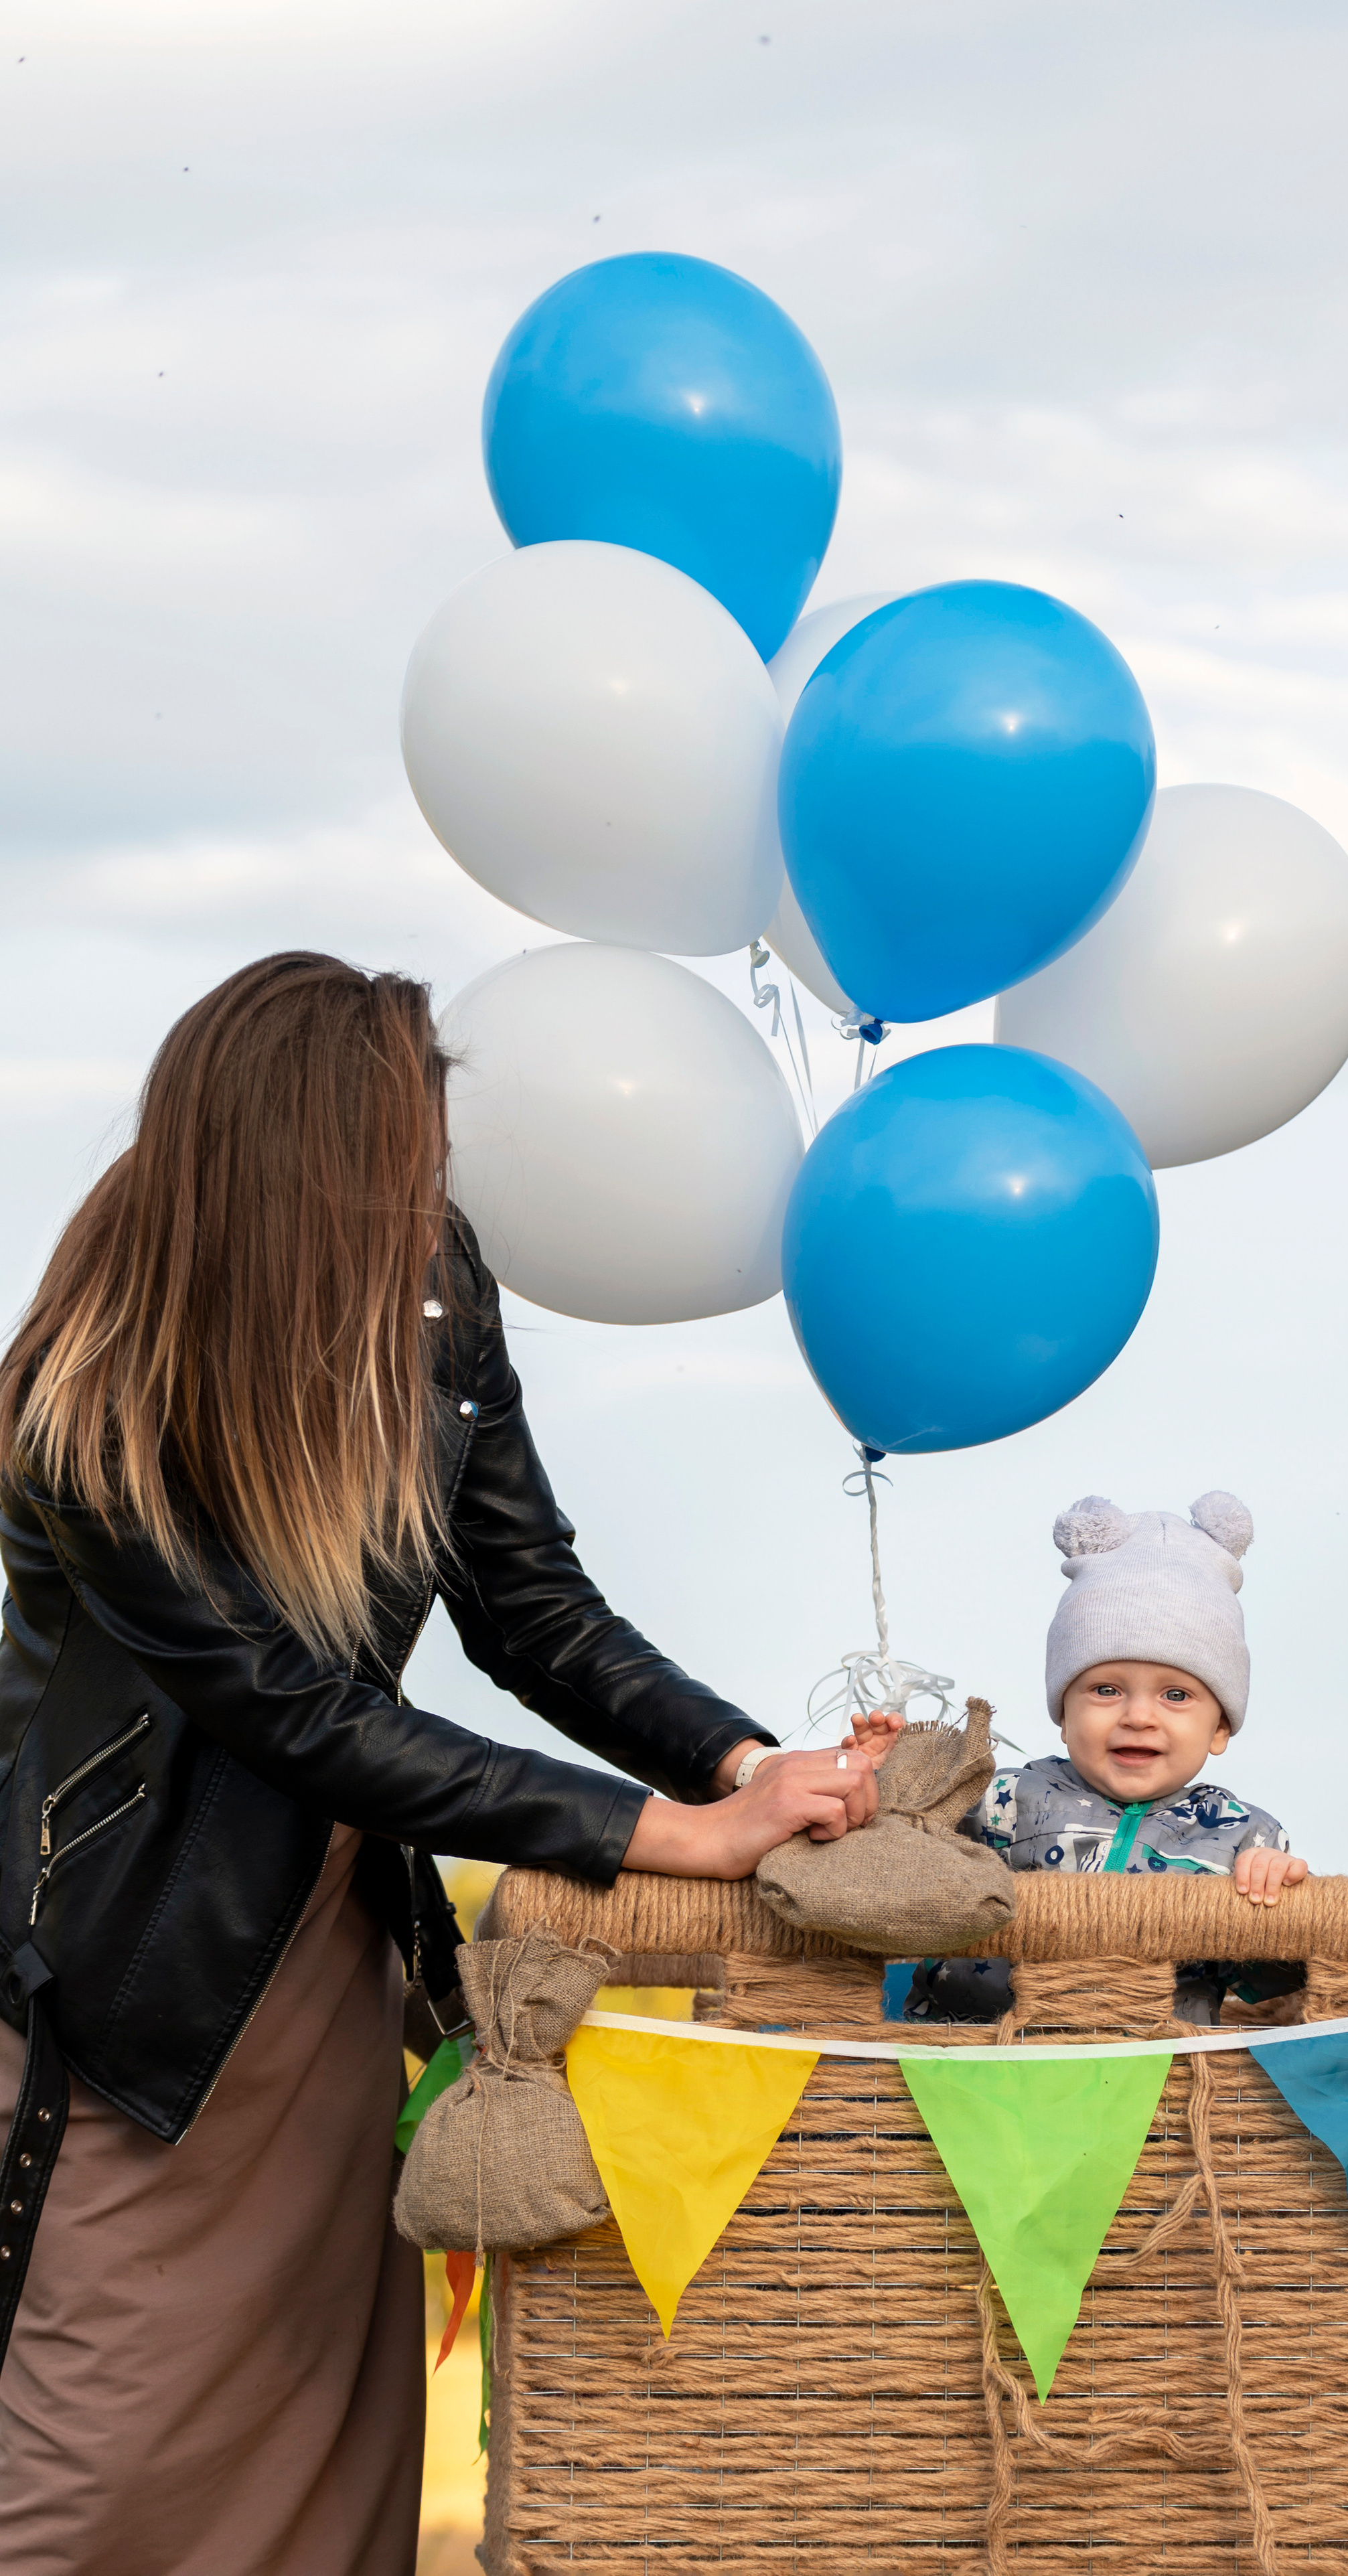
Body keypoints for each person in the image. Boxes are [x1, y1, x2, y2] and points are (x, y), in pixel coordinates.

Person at [0, 952, 875, 2576]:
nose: (437, 1177)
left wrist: (751, 1764)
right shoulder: (91, 1390)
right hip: (123, 1989)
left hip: (319, 1949)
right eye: (407, 1143)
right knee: (96, 2453)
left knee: (326, 2444)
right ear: (306, 1166)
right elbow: (292, 1710)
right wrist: (669, 1834)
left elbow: (533, 1607)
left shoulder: (430, 1286)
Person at [852, 1489, 1308, 2025]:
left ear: (1221, 1727)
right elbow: (895, 1862)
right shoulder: (1002, 1797)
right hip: (972, 2054)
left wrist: (1276, 1897)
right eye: (1106, 1690)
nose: (1138, 1715)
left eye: (1176, 1694)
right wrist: (881, 1785)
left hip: (1153, 2067)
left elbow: (1280, 1983)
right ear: (1064, 1715)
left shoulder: (1241, 1836)